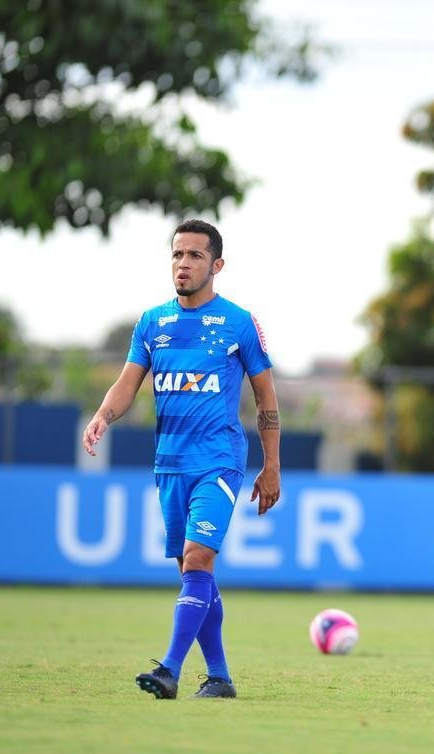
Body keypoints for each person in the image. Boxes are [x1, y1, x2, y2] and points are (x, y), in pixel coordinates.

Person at [82, 219, 280, 700]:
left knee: (197, 557)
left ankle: (169, 670)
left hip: (219, 461)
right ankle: (220, 678)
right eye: (177, 255)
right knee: (195, 573)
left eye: (194, 255)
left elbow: (266, 399)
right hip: (169, 463)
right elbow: (128, 383)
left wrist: (271, 465)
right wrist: (103, 416)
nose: (183, 264)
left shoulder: (238, 323)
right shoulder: (152, 323)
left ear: (217, 265)